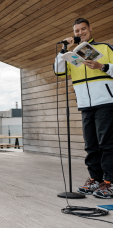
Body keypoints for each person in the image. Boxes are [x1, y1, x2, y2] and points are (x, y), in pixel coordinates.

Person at [54, 18, 113, 199]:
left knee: (107, 145)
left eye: (83, 29)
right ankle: (95, 179)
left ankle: (110, 183)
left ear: (90, 29)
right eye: (77, 31)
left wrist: (101, 66)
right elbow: (58, 71)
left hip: (105, 103)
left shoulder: (105, 48)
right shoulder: (73, 54)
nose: (80, 33)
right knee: (91, 146)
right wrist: (64, 50)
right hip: (85, 106)